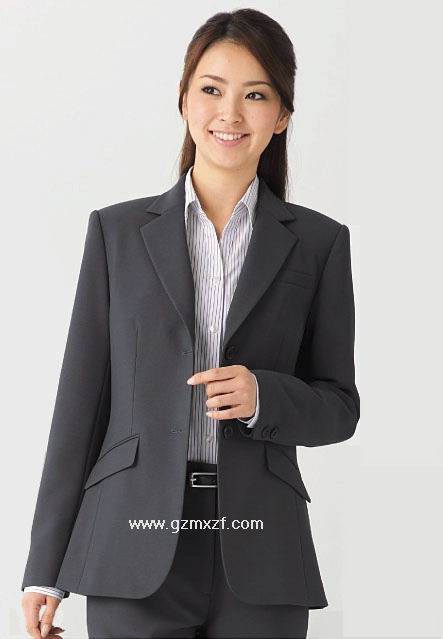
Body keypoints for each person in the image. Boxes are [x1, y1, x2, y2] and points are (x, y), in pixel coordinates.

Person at [21, 8, 360, 639]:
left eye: (255, 95)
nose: (230, 113)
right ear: (183, 101)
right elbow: (80, 407)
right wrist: (45, 570)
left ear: (282, 116)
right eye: (211, 89)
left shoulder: (319, 243)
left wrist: (264, 396)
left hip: (262, 549)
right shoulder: (117, 233)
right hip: (131, 543)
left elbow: (340, 408)